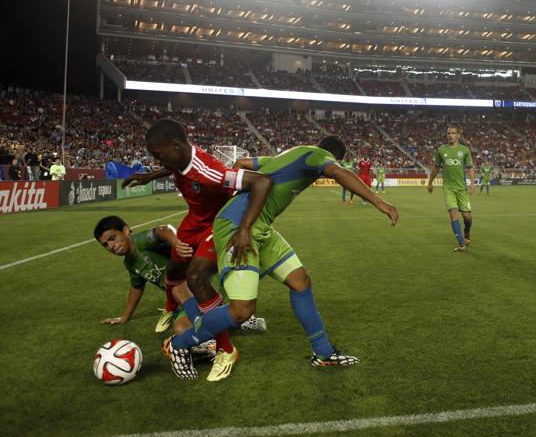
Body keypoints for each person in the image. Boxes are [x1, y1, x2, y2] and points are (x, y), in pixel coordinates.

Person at [163, 136, 399, 380]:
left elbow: (244, 163)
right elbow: (338, 172)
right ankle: (179, 344)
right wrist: (380, 203)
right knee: (241, 311)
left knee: (300, 281)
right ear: (331, 156)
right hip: (238, 228)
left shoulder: (289, 156)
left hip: (260, 227)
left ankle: (324, 353)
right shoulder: (316, 154)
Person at [122, 118, 273, 381]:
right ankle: (171, 307)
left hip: (218, 221)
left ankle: (226, 349)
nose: (158, 160)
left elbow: (261, 183)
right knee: (173, 271)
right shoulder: (178, 159)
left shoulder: (210, 170)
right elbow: (174, 169)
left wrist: (245, 228)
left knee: (196, 276)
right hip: (195, 219)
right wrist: (149, 176)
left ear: (175, 146)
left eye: (158, 155)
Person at [93, 215, 266, 338]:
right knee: (182, 329)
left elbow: (163, 230)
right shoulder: (129, 263)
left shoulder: (140, 241)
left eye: (112, 238)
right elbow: (136, 288)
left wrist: (176, 241)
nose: (111, 246)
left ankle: (235, 318)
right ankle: (230, 319)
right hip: (181, 299)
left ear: (125, 230)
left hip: (196, 288)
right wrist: (125, 317)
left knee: (186, 329)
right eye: (105, 245)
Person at [427, 125, 475, 252]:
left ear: (458, 135)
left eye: (453, 133)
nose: (450, 135)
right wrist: (430, 182)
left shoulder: (464, 150)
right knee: (453, 213)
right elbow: (436, 167)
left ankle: (467, 235)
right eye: (448, 133)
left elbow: (470, 167)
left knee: (467, 217)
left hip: (462, 188)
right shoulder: (441, 150)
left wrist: (472, 183)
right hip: (448, 188)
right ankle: (461, 244)